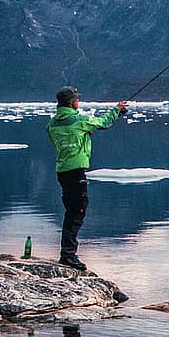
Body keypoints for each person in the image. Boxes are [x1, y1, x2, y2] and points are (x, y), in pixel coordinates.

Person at [46, 86, 127, 270]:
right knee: (78, 211)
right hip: (76, 171)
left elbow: (56, 140)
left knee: (70, 210)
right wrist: (117, 110)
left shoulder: (52, 123)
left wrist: (80, 135)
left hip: (62, 171)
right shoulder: (80, 120)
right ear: (72, 102)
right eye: (77, 99)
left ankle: (67, 253)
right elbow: (103, 123)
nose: (78, 102)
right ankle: (68, 255)